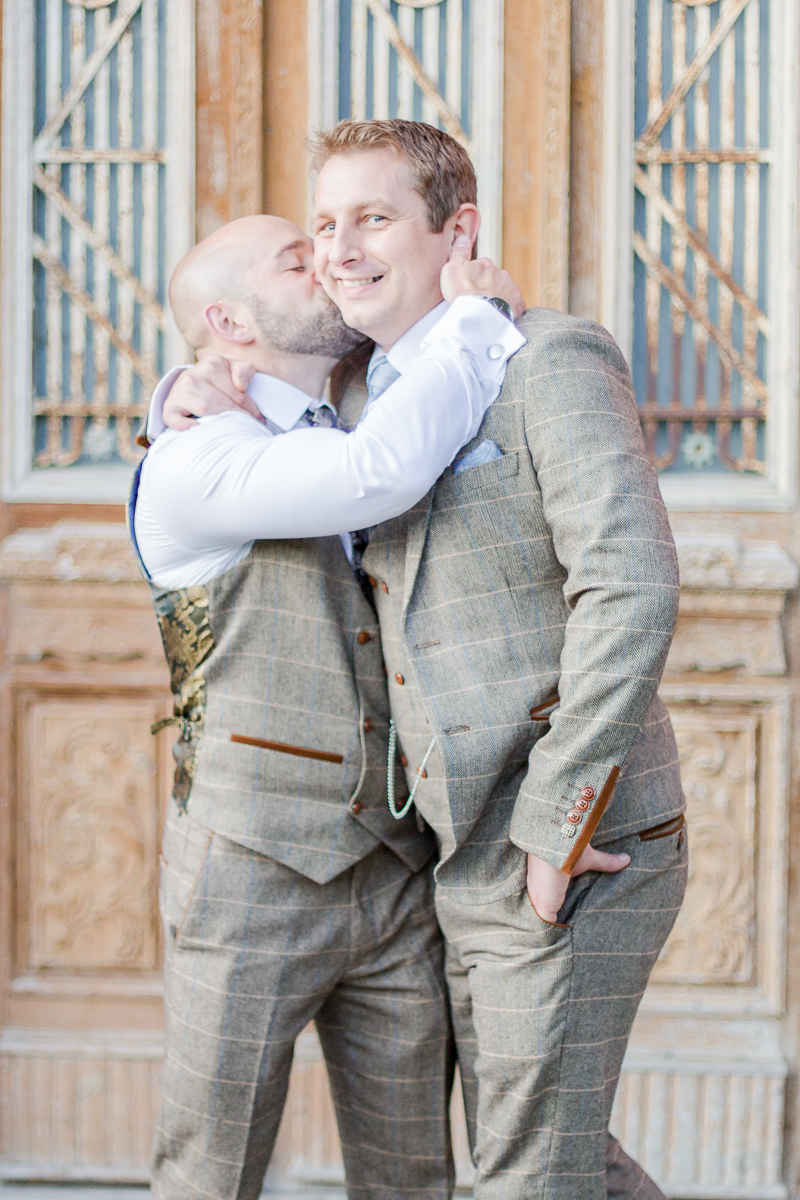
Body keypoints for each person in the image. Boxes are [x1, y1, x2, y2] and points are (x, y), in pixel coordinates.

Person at [157, 120, 688, 1200]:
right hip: (399, 854)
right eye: (318, 231)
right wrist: (174, 390)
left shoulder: (545, 356)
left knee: (520, 1165)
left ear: (457, 230)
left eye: (371, 219)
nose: (337, 253)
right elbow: (339, 447)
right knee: (545, 1152)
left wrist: (557, 822)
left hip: (548, 839)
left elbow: (628, 587)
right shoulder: (322, 404)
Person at [130, 212, 525, 1200]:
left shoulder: (369, 403)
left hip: (397, 874)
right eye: (296, 258)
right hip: (248, 868)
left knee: (411, 1180)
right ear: (228, 319)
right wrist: (476, 319)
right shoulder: (191, 461)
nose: (332, 263)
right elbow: (367, 479)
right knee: (209, 1175)